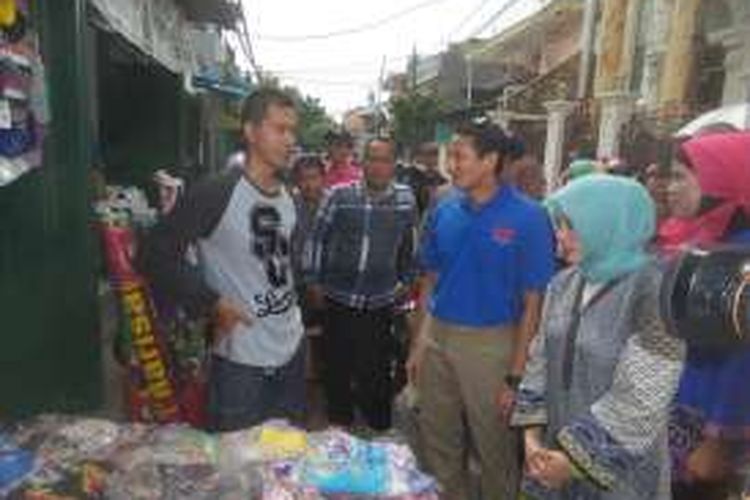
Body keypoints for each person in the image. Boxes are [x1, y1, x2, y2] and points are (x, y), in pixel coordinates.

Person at [139, 87, 305, 432]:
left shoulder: (292, 197)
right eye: (279, 129)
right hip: (239, 364)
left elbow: (286, 272)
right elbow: (154, 253)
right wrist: (212, 302)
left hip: (291, 353)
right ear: (250, 132)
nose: (290, 140)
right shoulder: (216, 192)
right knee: (237, 472)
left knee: (285, 469)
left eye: (293, 131)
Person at [511, 174, 685, 500]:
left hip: (623, 468)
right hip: (550, 456)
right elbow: (540, 362)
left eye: (570, 225)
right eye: (557, 225)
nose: (560, 236)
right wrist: (532, 439)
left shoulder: (655, 293)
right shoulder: (563, 284)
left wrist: (573, 461)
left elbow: (642, 399)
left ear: (607, 224)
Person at [407, 120, 556, 500]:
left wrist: (515, 376)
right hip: (438, 337)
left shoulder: (530, 217)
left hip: (492, 346)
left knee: (495, 450)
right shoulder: (445, 211)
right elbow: (430, 281)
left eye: (460, 157)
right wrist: (419, 343)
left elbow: (532, 303)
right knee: (439, 441)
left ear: (490, 160)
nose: (451, 165)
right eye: (450, 156)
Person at [306, 137, 418, 431]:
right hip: (339, 297)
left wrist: (406, 281)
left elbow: (410, 244)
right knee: (337, 367)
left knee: (376, 369)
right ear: (362, 162)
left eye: (385, 160)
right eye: (372, 159)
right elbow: (317, 237)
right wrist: (313, 280)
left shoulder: (405, 198)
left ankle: (378, 429)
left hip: (380, 301)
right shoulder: (339, 196)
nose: (378, 166)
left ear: (394, 164)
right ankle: (339, 426)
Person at [663, 132, 750, 500]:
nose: (670, 188)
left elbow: (743, 354)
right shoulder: (699, 241)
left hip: (713, 427)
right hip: (682, 408)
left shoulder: (741, 256)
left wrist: (720, 437)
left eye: (682, 176)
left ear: (722, 177)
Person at [396, 142, 448, 215]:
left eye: (434, 155)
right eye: (426, 155)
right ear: (418, 157)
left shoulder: (442, 178)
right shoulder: (408, 175)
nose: (429, 159)